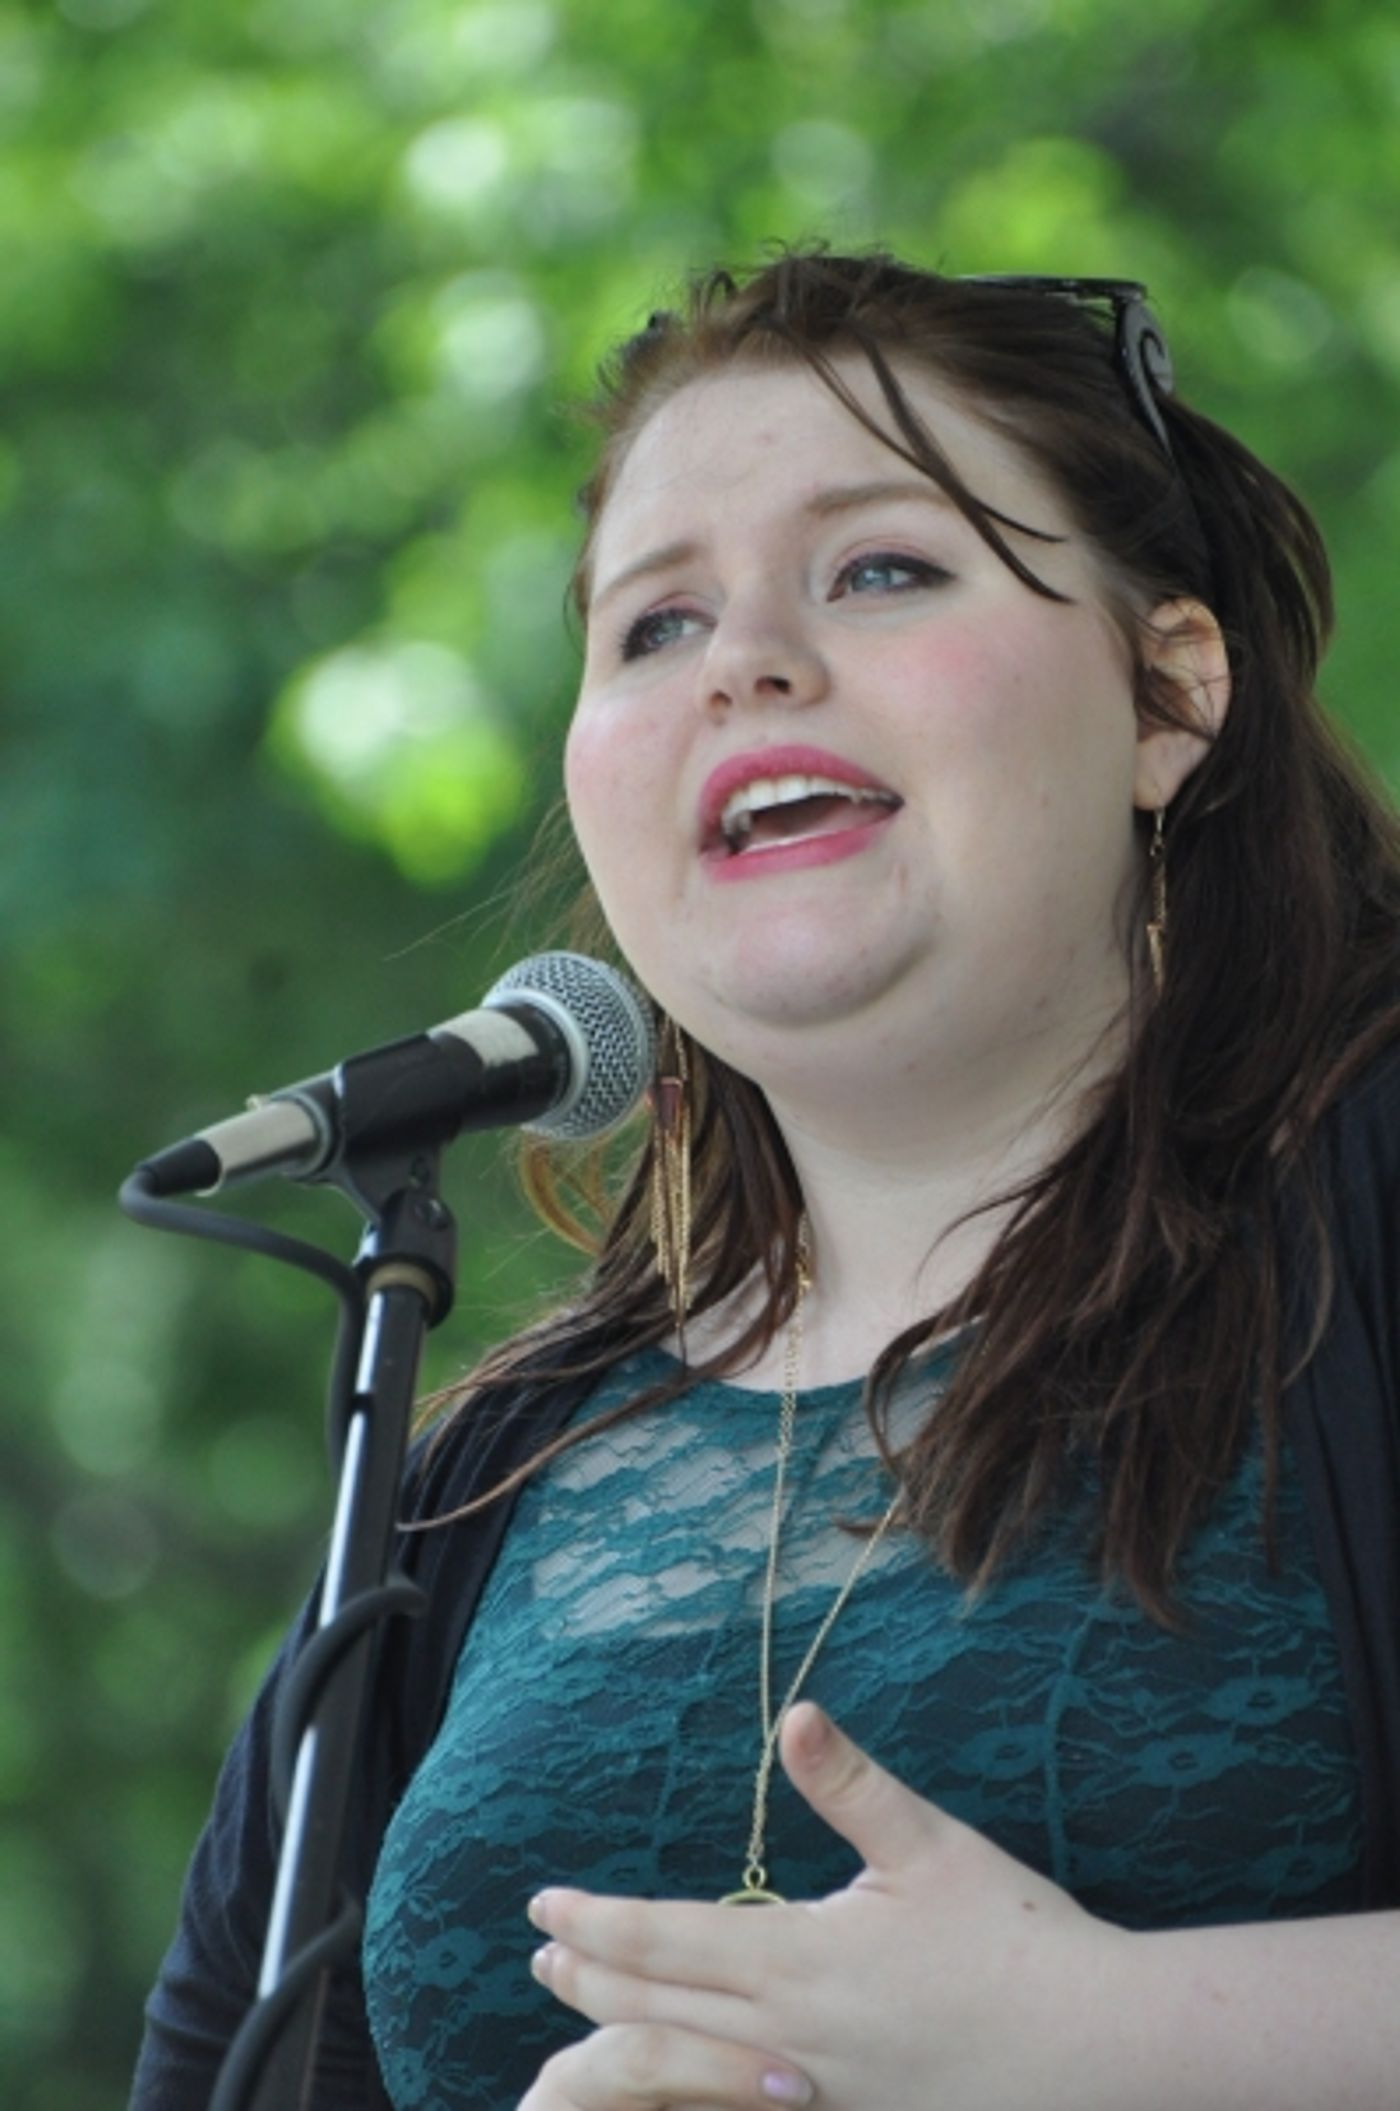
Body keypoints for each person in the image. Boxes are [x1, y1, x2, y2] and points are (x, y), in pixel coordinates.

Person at [131, 249, 1400, 2111]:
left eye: (883, 567)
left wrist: (1087, 2039)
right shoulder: (473, 1488)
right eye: (653, 625)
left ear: (1169, 696)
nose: (744, 662)